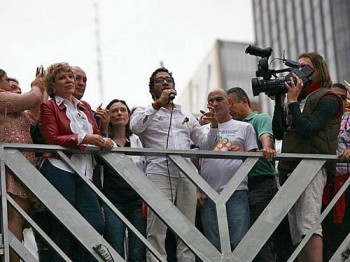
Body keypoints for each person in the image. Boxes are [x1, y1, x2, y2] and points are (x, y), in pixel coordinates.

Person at [130, 67, 219, 262]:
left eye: (168, 79)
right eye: (159, 80)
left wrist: (213, 126)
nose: (165, 82)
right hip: (159, 172)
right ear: (152, 89)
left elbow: (205, 144)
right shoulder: (145, 111)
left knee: (187, 229)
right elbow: (135, 127)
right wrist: (157, 104)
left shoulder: (185, 115)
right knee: (157, 228)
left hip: (186, 175)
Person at [39, 62, 114, 261]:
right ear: (53, 85)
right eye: (63, 77)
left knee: (95, 223)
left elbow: (96, 134)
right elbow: (52, 138)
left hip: (85, 171)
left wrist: (105, 140)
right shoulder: (49, 106)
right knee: (63, 225)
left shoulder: (85, 107)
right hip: (60, 168)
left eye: (71, 77)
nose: (70, 81)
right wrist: (83, 139)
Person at [272, 52, 343, 262]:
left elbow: (308, 130)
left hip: (312, 166)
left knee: (309, 224)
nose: (298, 71)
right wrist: (280, 100)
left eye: (304, 67)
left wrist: (293, 101)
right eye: (297, 66)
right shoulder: (300, 99)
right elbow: (278, 132)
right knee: (296, 230)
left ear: (318, 70)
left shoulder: (328, 98)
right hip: (291, 167)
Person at [198, 88, 258, 251]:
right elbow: (196, 161)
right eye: (211, 101)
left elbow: (254, 160)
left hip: (236, 191)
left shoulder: (245, 127)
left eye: (219, 99)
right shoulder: (202, 129)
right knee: (213, 247)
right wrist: (197, 190)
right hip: (208, 194)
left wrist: (242, 154)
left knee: (239, 243)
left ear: (229, 102)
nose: (215, 104)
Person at [226, 86, 278, 261]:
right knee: (244, 238)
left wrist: (267, 147)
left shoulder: (258, 118)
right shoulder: (230, 127)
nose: (229, 109)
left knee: (258, 238)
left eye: (230, 104)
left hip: (261, 183)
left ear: (245, 102)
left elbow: (265, 134)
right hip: (240, 187)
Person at [0, 68, 45, 262]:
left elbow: (34, 115)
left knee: (20, 218)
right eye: (5, 80)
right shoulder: (2, 98)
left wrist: (41, 88)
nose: (10, 84)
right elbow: (32, 99)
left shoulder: (10, 105)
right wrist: (36, 86)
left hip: (23, 163)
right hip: (11, 163)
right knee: (15, 217)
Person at [102, 99, 146, 261]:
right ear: (108, 116)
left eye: (123, 110)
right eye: (114, 111)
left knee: (138, 251)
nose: (119, 113)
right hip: (112, 203)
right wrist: (103, 130)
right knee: (115, 249)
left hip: (136, 202)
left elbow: (145, 169)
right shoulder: (104, 140)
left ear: (128, 115)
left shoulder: (137, 140)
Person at [323, 82, 350, 259]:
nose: (337, 101)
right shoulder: (321, 119)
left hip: (347, 183)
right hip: (325, 184)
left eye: (342, 97)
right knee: (328, 234)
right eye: (333, 97)